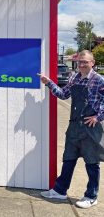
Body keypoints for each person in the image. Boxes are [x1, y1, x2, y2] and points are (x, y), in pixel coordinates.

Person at [39, 50, 104, 209]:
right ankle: (60, 190)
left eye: (85, 62)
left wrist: (98, 117)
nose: (81, 65)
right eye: (80, 62)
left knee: (91, 162)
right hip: (74, 125)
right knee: (68, 159)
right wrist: (49, 83)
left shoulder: (99, 80)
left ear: (92, 63)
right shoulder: (74, 77)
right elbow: (63, 94)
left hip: (90, 128)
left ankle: (91, 196)